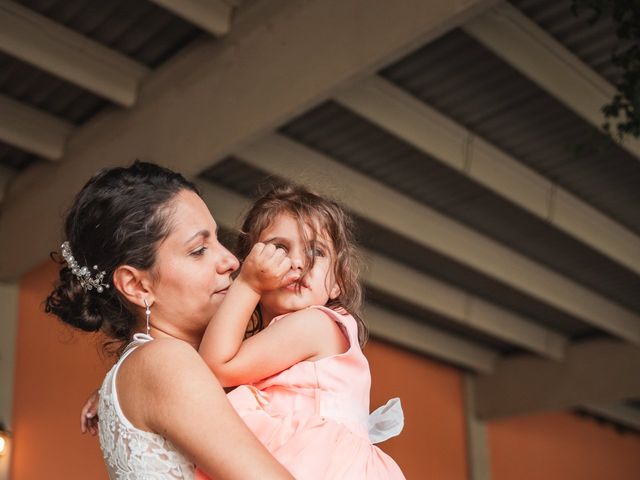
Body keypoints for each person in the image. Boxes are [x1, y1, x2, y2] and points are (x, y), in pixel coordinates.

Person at [46, 162, 294, 479]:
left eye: (218, 240)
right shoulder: (164, 361)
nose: (231, 261)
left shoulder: (157, 367)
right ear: (137, 286)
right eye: (199, 250)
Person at [195, 183, 405, 479]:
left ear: (337, 283)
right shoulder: (267, 343)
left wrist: (247, 285)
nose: (297, 262)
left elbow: (215, 368)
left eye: (316, 252)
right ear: (251, 262)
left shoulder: (316, 324)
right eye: (278, 248)